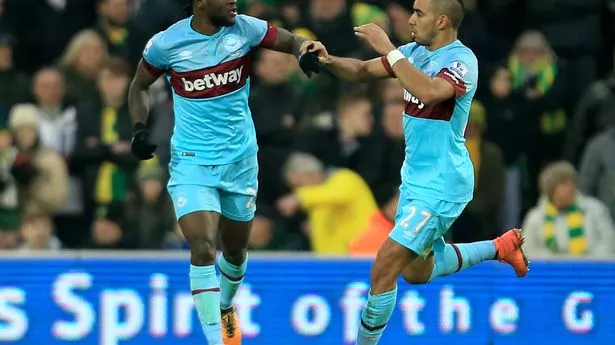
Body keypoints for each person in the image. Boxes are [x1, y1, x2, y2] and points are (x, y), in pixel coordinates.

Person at [302, 0, 528, 344]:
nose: (410, 19)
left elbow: (430, 91)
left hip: (443, 183)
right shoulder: (414, 52)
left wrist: (389, 49)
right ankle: (498, 248)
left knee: (385, 266)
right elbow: (362, 71)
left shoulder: (461, 60)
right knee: (416, 272)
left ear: (440, 20)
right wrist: (327, 60)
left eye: (418, 13)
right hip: (415, 180)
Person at [127, 1, 317, 344]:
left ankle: (226, 305)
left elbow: (291, 41)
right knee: (202, 247)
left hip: (240, 161)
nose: (234, 1)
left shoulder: (245, 28)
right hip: (192, 162)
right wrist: (140, 128)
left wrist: (304, 50)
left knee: (235, 253)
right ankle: (217, 339)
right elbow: (138, 85)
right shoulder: (166, 44)